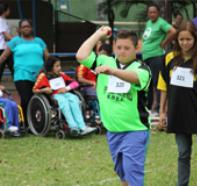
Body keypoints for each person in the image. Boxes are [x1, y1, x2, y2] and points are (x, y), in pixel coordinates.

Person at [76, 27, 151, 186]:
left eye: (127, 48)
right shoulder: (105, 61)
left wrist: (113, 72)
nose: (122, 51)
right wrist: (98, 34)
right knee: (122, 173)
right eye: (119, 47)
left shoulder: (142, 68)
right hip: (113, 131)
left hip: (135, 130)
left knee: (133, 173)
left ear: (136, 48)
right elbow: (81, 55)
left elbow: (135, 78)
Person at [158, 21, 197, 186]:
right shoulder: (169, 58)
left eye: (188, 39)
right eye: (181, 39)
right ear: (176, 40)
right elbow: (163, 86)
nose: (185, 43)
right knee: (183, 154)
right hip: (179, 113)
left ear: (195, 40)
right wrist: (162, 112)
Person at [0, 19, 49, 127]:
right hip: (22, 75)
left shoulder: (39, 41)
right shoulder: (15, 41)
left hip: (39, 75)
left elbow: (47, 57)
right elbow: (4, 56)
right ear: (20, 29)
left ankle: (38, 123)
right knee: (26, 98)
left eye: (28, 26)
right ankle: (26, 124)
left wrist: (42, 68)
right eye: (23, 27)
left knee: (41, 98)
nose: (26, 28)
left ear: (31, 28)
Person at [33, 56, 95, 136]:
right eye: (57, 66)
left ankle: (82, 127)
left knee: (74, 99)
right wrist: (44, 90)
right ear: (51, 67)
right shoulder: (43, 76)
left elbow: (75, 83)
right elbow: (34, 90)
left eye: (60, 65)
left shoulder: (61, 74)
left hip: (65, 93)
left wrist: (66, 88)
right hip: (54, 96)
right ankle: (73, 127)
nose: (60, 68)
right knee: (64, 102)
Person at [142, 3, 176, 115]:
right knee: (149, 82)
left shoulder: (161, 23)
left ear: (158, 13)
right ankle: (150, 105)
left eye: (154, 12)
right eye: (150, 12)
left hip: (156, 56)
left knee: (157, 82)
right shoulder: (148, 23)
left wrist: (165, 42)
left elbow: (173, 31)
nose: (152, 14)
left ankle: (157, 108)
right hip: (146, 56)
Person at [0, 2, 13, 82]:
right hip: (3, 49)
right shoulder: (1, 21)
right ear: (6, 11)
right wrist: (18, 41)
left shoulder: (3, 20)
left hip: (5, 49)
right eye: (8, 9)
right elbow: (6, 35)